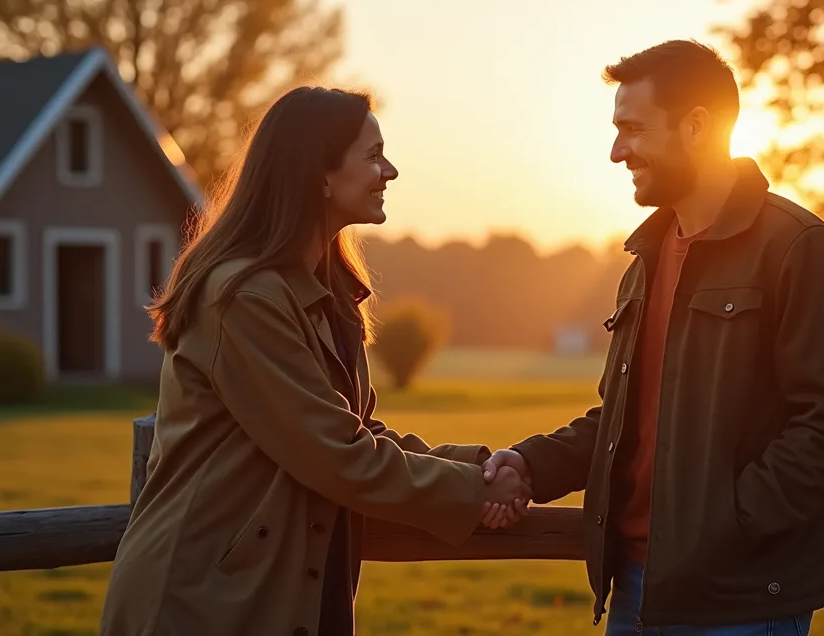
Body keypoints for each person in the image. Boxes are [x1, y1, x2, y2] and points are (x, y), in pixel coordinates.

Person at [98, 87, 531, 636]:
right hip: (203, 602)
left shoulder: (326, 294)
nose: (390, 170)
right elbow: (338, 454)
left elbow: (355, 432)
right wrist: (475, 491)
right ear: (319, 176)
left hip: (265, 593)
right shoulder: (245, 299)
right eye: (373, 155)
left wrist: (477, 467)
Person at [481, 39, 824, 635]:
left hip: (742, 603)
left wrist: (726, 524)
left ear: (696, 127)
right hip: (637, 589)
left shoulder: (798, 248)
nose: (618, 151)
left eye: (634, 128)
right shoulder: (644, 259)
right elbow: (626, 422)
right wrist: (531, 464)